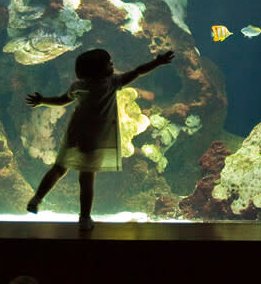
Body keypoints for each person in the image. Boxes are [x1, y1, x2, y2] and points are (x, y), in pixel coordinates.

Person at [24, 48, 175, 230]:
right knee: (86, 178)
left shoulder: (79, 86)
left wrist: (42, 100)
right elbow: (137, 71)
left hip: (75, 133)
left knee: (58, 168)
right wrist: (157, 62)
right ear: (99, 69)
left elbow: (62, 100)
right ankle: (85, 218)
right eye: (108, 62)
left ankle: (37, 199)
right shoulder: (112, 83)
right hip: (94, 138)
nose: (112, 64)